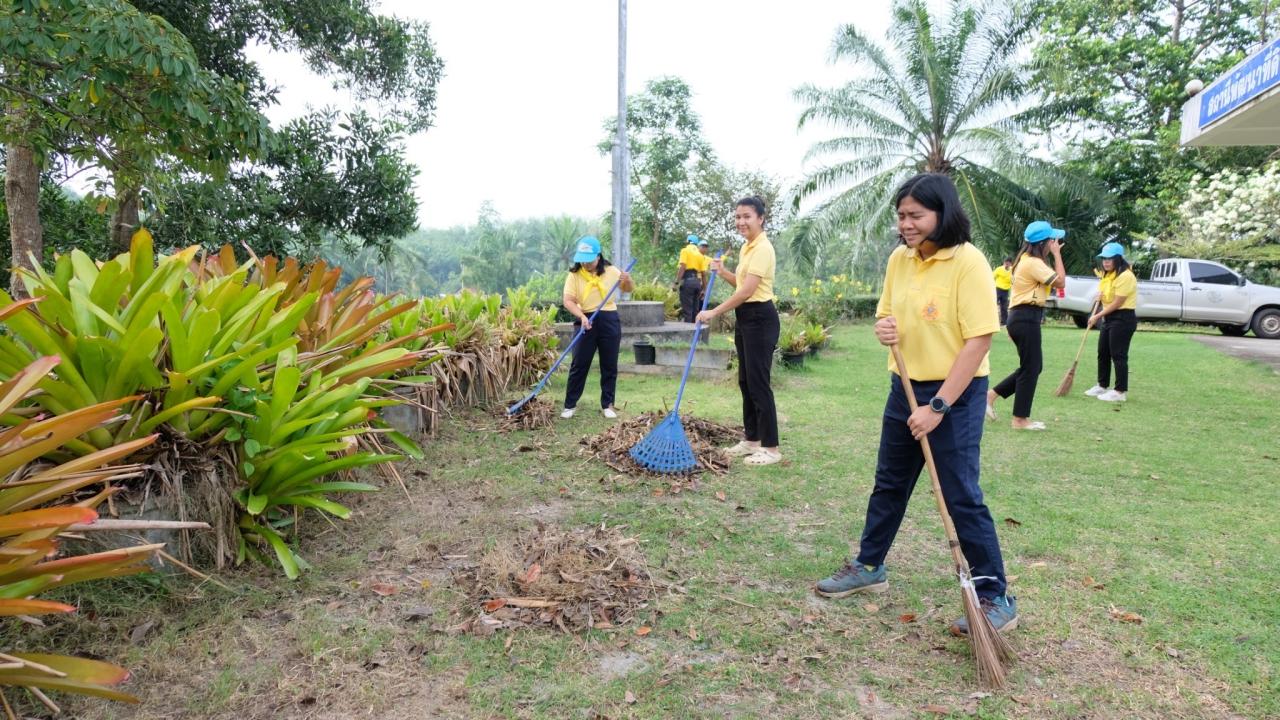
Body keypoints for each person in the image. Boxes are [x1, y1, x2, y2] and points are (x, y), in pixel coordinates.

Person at [814, 173, 1016, 636]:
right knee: (890, 482)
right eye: (901, 215)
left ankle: (994, 595)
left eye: (915, 216)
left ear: (942, 214)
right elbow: (887, 314)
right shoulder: (899, 260)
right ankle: (869, 566)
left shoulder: (969, 262)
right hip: (903, 386)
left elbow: (979, 340)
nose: (905, 224)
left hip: (954, 397)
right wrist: (884, 329)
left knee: (961, 495)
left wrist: (939, 406)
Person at [695, 196, 781, 466]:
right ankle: (752, 440)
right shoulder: (747, 248)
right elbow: (740, 282)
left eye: (747, 216)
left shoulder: (763, 248)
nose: (741, 221)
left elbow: (747, 291)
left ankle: (771, 448)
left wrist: (714, 312)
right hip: (746, 317)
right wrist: (722, 272)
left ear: (761, 218)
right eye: (738, 217)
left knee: (759, 383)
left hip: (760, 318)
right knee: (745, 381)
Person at [986, 222, 1066, 430]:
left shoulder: (1027, 260)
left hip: (1023, 317)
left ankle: (991, 396)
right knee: (1031, 367)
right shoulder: (1032, 263)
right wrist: (1057, 255)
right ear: (1043, 243)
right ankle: (1019, 419)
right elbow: (1061, 282)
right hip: (1025, 316)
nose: (1054, 244)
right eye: (1052, 241)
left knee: (1032, 366)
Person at [561, 235, 633, 419]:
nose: (585, 264)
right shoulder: (574, 275)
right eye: (582, 260)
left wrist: (627, 279)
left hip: (609, 319)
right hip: (585, 319)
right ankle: (570, 405)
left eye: (589, 260)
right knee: (579, 364)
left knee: (609, 364)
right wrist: (582, 317)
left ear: (598, 256)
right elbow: (568, 301)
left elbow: (628, 289)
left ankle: (608, 404)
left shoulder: (611, 271)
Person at [1084, 242, 1137, 403]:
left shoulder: (1126, 276)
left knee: (1118, 355)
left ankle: (1120, 391)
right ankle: (1102, 385)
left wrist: (1097, 315)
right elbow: (1107, 296)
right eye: (1104, 259)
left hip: (1123, 318)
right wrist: (1099, 298)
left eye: (1110, 259)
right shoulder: (1107, 275)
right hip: (1110, 318)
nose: (1106, 262)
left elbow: (1118, 303)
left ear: (1118, 259)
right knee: (1103, 352)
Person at [675, 235, 709, 323]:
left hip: (688, 282)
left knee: (687, 311)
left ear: (688, 241)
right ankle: (695, 333)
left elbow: (682, 267)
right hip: (697, 283)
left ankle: (688, 334)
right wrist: (705, 290)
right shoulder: (700, 255)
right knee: (695, 310)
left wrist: (676, 283)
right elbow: (703, 275)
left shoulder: (685, 251)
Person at [993, 256, 1013, 327]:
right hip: (998, 289)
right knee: (993, 304)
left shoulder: (1012, 270)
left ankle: (1004, 322)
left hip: (1006, 290)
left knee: (1004, 307)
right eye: (1005, 263)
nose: (1006, 265)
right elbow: (992, 277)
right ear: (1004, 263)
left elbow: (1013, 280)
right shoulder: (999, 269)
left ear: (1010, 264)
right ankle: (992, 321)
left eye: (1008, 263)